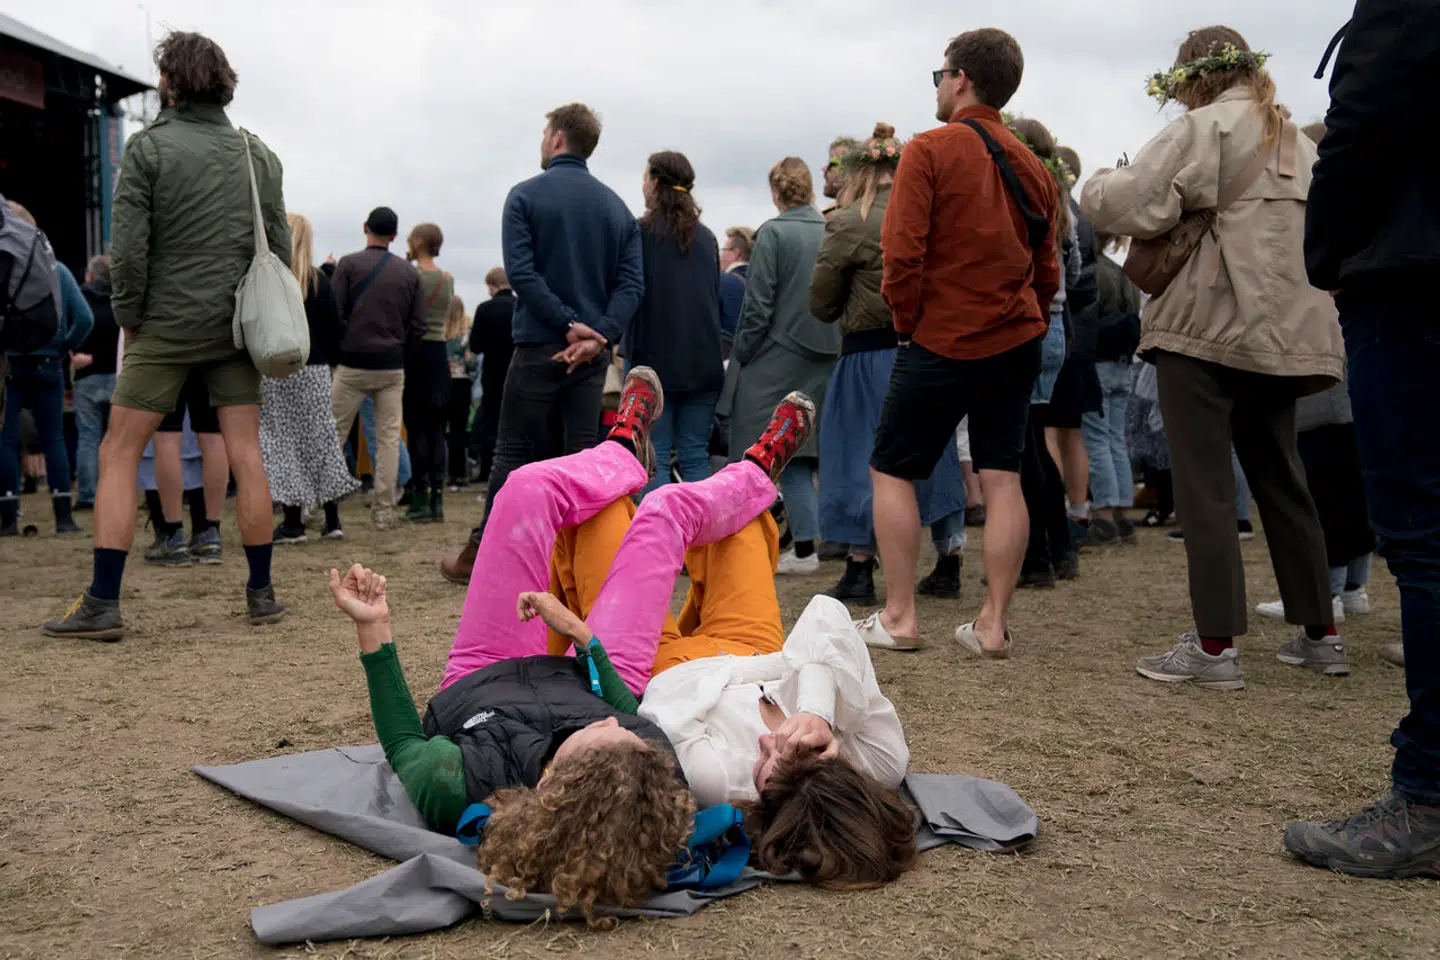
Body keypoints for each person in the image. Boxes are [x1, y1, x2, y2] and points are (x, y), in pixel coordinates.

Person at [496, 372, 916, 888]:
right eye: (791, 753)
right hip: (754, 649)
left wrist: (798, 670)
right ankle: (755, 472)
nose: (767, 743)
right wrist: (816, 710)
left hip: (661, 665)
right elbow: (827, 617)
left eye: (764, 771)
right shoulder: (879, 762)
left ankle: (623, 451)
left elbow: (664, 699)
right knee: (740, 526)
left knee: (606, 521)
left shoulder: (715, 782)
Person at [1082, 26, 1347, 690]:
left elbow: (1127, 204)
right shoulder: (1296, 142)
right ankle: (1322, 634)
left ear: (1191, 76)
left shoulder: (1202, 130)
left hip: (1203, 325)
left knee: (1203, 483)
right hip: (1283, 334)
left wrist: (1101, 180)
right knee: (1284, 479)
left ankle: (1215, 646)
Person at [42, 32, 290, 639]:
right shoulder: (256, 154)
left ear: (170, 82)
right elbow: (278, 247)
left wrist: (129, 315)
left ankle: (103, 602)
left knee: (119, 451)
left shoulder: (148, 150)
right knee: (245, 453)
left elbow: (127, 252)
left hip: (164, 324)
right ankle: (261, 593)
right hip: (236, 326)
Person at [1284, 0, 1440, 878]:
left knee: (1423, 537)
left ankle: (1429, 795)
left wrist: (1332, 250)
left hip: (1413, 274)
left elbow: (1366, 120)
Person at [863, 28, 1060, 655]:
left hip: (941, 337)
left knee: (893, 468)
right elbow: (1049, 270)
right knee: (1003, 475)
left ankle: (899, 616)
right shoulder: (1035, 166)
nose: (938, 84)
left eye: (939, 74)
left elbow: (902, 255)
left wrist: (907, 322)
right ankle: (992, 625)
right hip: (1016, 335)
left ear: (961, 79)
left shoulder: (930, 149)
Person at [442, 103, 643, 583]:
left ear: (556, 139)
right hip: (593, 352)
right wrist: (599, 335)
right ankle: (579, 559)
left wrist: (567, 324)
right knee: (580, 454)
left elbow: (522, 273)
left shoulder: (525, 197)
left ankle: (484, 556)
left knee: (512, 451)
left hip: (538, 345)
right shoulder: (617, 210)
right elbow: (632, 285)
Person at [810, 123, 966, 607]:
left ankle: (860, 566)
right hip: (927, 348)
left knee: (865, 458)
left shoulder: (848, 222)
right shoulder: (932, 214)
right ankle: (950, 558)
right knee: (934, 455)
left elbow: (821, 301)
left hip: (869, 353)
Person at [724, 158, 836, 575]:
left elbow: (757, 309)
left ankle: (758, 543)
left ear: (775, 192)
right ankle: (806, 545)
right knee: (802, 455)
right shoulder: (830, 229)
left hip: (773, 357)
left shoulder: (772, 233)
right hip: (825, 356)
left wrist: (743, 354)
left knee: (755, 452)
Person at [625, 151, 724, 497]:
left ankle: (664, 543)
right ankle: (699, 543)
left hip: (655, 362)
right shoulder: (708, 238)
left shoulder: (639, 233)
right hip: (705, 361)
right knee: (696, 455)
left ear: (654, 182)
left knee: (654, 458)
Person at [1010, 116, 1080, 590]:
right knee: (1036, 441)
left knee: (1024, 449)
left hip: (1027, 324)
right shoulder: (1059, 201)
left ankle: (1037, 556)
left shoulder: (1022, 194)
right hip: (1054, 325)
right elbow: (1073, 270)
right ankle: (1060, 547)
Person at [262, 213, 359, 544]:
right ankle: (332, 519)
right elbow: (335, 330)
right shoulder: (320, 283)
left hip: (278, 371)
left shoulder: (272, 281)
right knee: (321, 441)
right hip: (316, 370)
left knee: (283, 442)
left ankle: (293, 522)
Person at [330, 206, 426, 529]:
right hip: (391, 365)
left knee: (334, 433)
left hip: (352, 362)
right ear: (396, 236)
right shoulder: (409, 274)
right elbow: (418, 326)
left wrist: (338, 353)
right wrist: (404, 359)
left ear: (365, 227)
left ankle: (322, 503)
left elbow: (335, 313)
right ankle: (383, 508)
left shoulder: (348, 265)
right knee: (388, 437)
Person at [1, 202, 93, 538]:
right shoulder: (59, 271)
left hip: (9, 363)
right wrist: (65, 347)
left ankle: (8, 518)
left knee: (7, 440)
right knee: (54, 438)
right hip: (49, 364)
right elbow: (85, 318)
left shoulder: (3, 266)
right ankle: (64, 518)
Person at [1080, 234, 1142, 545]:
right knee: (1117, 439)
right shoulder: (1123, 274)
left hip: (1099, 363)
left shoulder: (1094, 273)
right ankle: (1121, 511)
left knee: (1097, 440)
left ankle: (1103, 515)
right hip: (1123, 364)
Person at [400, 223, 454, 522]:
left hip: (416, 354)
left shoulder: (412, 275)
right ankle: (437, 499)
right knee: (437, 431)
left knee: (417, 429)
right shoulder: (447, 279)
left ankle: (419, 499)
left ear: (418, 242)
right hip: (439, 356)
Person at [72, 255, 120, 511]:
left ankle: (88, 495)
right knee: (118, 439)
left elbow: (70, 328)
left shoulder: (80, 300)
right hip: (117, 376)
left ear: (90, 275)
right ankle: (116, 490)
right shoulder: (120, 301)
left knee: (88, 438)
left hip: (86, 375)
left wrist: (78, 356)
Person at [465, 267, 514, 486]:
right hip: (516, 372)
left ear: (492, 285)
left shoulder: (484, 309)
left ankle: (487, 470)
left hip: (493, 374)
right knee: (515, 424)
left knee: (490, 423)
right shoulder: (520, 306)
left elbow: (475, 346)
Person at [443, 295, 473, 490]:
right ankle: (458, 474)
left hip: (442, 382)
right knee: (459, 432)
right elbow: (471, 363)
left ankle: (437, 471)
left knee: (438, 429)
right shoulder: (467, 336)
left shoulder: (439, 334)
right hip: (462, 383)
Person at [717, 226, 754, 352]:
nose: (720, 255)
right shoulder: (762, 281)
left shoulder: (722, 281)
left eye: (723, 250)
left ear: (736, 253)